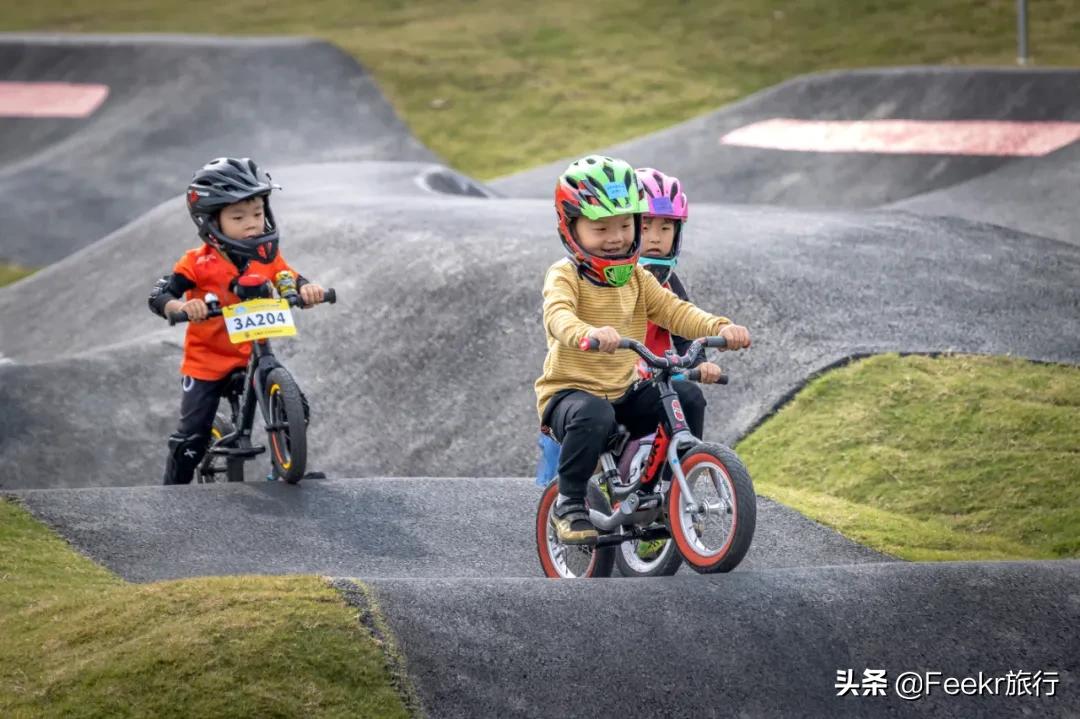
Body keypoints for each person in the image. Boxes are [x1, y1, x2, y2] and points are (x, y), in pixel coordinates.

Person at [535, 155, 750, 544]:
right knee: (594, 412)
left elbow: (675, 311)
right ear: (570, 227)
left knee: (685, 395)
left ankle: (666, 491)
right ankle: (569, 504)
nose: (616, 237)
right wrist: (586, 333)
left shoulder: (637, 277)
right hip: (569, 395)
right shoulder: (564, 275)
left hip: (623, 392)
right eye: (601, 227)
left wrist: (719, 326)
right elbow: (558, 315)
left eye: (624, 224)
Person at [147, 157, 325, 485]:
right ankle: (172, 492)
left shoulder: (266, 256)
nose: (252, 224)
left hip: (253, 355)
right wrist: (180, 307)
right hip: (207, 361)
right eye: (238, 217)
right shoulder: (196, 263)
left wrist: (307, 289)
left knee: (295, 408)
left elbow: (288, 277)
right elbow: (161, 295)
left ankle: (283, 467)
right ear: (212, 221)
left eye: (257, 213)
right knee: (192, 438)